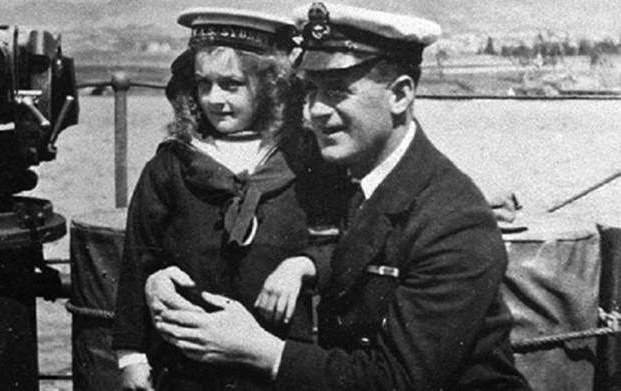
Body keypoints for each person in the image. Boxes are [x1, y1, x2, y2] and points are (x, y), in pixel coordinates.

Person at [149, 3, 533, 390]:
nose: (316, 111)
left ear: (400, 95)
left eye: (337, 92)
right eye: (311, 90)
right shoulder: (358, 180)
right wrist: (162, 281)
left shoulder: (452, 222)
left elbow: (395, 380)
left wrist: (259, 350)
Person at [111, 7, 351, 391]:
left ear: (271, 85)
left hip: (278, 364)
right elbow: (139, 261)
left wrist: (303, 266)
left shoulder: (308, 161)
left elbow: (342, 243)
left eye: (232, 84)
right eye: (204, 84)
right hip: (188, 367)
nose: (214, 98)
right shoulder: (171, 165)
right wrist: (131, 356)